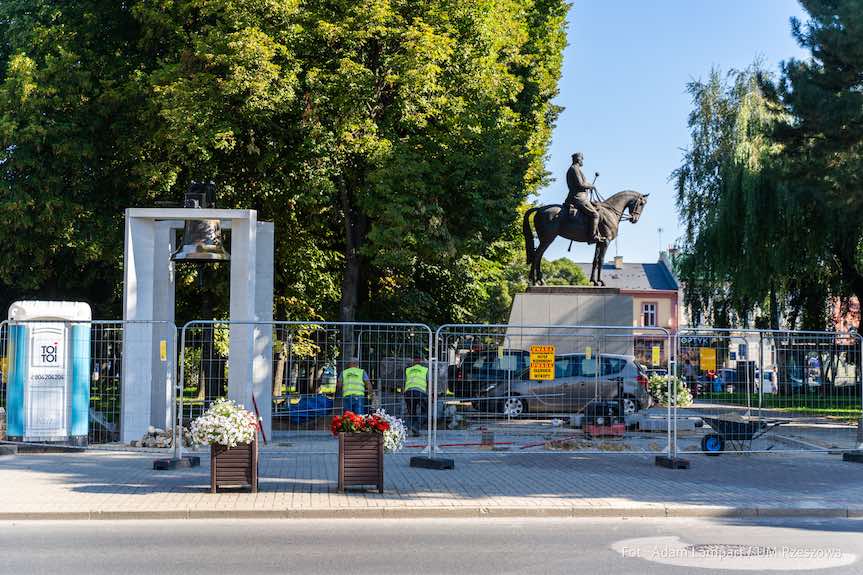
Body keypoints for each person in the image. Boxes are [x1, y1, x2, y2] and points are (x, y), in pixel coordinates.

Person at [565, 152, 606, 243]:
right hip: (578, 197)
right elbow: (581, 184)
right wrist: (591, 186)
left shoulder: (575, 169)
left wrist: (589, 186)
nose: (582, 161)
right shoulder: (575, 169)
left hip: (579, 196)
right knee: (595, 214)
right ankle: (592, 237)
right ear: (578, 159)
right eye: (582, 159)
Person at [403, 358, 429, 436]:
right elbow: (429, 382)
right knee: (425, 411)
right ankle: (415, 427)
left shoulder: (408, 370)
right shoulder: (425, 369)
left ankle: (414, 429)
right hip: (420, 392)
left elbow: (404, 381)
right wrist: (431, 393)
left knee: (412, 412)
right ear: (421, 362)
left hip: (408, 392)